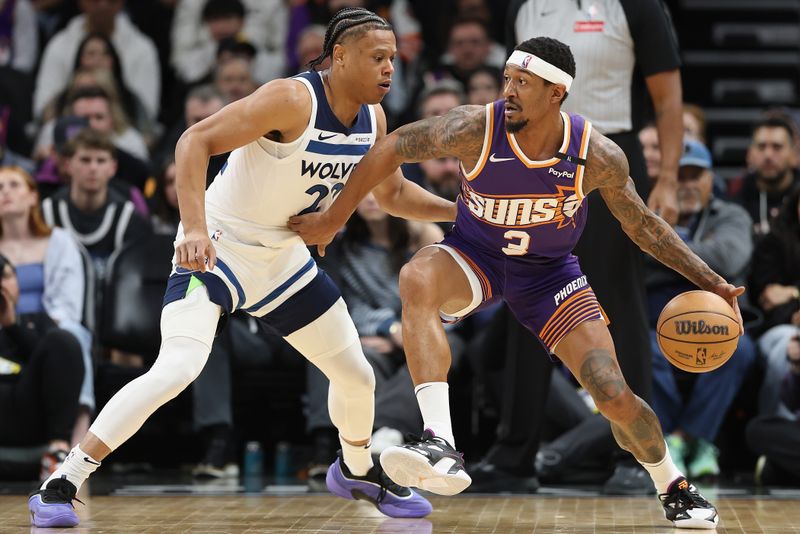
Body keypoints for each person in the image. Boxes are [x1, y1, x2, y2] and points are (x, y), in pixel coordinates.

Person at [291, 37, 745, 529]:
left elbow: (644, 226)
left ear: (556, 93)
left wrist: (712, 281)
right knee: (417, 275)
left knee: (612, 392)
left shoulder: (596, 155)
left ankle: (673, 485)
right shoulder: (472, 128)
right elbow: (390, 149)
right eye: (507, 78)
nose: (508, 89)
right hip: (475, 255)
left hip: (550, 276)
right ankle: (439, 440)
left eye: (523, 83)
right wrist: (333, 218)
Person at [29, 7, 453, 527]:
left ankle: (357, 469)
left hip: (282, 258)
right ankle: (64, 479)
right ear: (340, 57)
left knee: (356, 376)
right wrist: (193, 229)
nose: (390, 68)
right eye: (378, 57)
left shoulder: (374, 119)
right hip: (219, 246)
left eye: (392, 58)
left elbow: (392, 193)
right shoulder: (291, 97)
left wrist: (464, 213)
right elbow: (193, 142)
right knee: (178, 368)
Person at [507, 0, 685, 495]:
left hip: (609, 157)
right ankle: (513, 454)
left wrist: (668, 176)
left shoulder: (637, 7)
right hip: (534, 163)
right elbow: (514, 97)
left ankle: (634, 456)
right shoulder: (523, 8)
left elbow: (669, 100)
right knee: (522, 301)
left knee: (618, 307)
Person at [644, 140, 756, 479]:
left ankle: (685, 438)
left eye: (696, 176)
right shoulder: (646, 214)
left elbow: (730, 257)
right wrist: (700, 252)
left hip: (716, 321)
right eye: (681, 175)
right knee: (641, 347)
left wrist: (665, 251)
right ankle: (684, 442)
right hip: (655, 322)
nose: (688, 184)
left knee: (741, 348)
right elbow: (633, 259)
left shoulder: (732, 214)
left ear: (711, 179)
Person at [0, 254, 85, 480]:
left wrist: (11, 326)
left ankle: (57, 450)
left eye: (6, 276)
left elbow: (56, 366)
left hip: (27, 413)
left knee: (64, 340)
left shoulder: (36, 322)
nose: (2, 285)